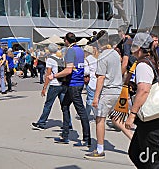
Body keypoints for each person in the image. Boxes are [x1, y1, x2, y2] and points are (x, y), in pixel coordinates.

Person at [125, 33, 159, 169]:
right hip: (152, 118)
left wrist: (132, 115)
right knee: (136, 153)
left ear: (138, 48)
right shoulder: (152, 59)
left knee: (152, 161)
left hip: (152, 120)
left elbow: (144, 90)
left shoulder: (143, 65)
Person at [85, 31, 122, 159]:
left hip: (107, 91)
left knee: (100, 119)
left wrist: (95, 97)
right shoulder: (116, 53)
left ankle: (100, 148)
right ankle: (135, 139)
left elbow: (100, 78)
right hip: (117, 88)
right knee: (116, 118)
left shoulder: (103, 56)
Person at [49, 32, 91, 146]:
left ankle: (86, 139)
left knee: (81, 111)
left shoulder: (70, 51)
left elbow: (68, 70)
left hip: (73, 84)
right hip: (78, 82)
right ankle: (65, 135)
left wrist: (54, 76)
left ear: (66, 40)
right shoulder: (79, 50)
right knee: (65, 105)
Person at [32, 43, 67, 130]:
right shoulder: (61, 57)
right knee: (64, 105)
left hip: (54, 84)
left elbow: (48, 74)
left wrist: (44, 87)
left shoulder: (50, 59)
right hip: (63, 83)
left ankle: (41, 123)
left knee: (48, 104)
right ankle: (68, 123)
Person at [84, 44, 99, 118]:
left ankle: (96, 115)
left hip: (90, 81)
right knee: (90, 98)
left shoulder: (86, 60)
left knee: (90, 99)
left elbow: (86, 72)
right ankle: (86, 114)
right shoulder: (96, 59)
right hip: (97, 81)